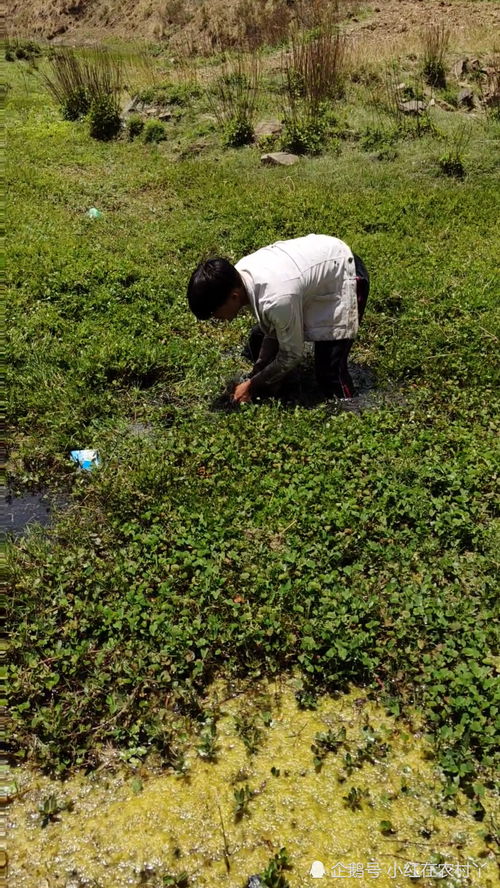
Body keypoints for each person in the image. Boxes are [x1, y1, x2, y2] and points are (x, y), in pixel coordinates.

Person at [187, 234, 369, 404]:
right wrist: (258, 373)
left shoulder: (276, 299)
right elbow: (272, 331)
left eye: (215, 314)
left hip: (345, 272)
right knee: (257, 341)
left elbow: (292, 354)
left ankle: (351, 410)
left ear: (234, 296)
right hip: (314, 272)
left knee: (329, 373)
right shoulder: (239, 276)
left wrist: (252, 384)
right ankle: (288, 381)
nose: (217, 320)